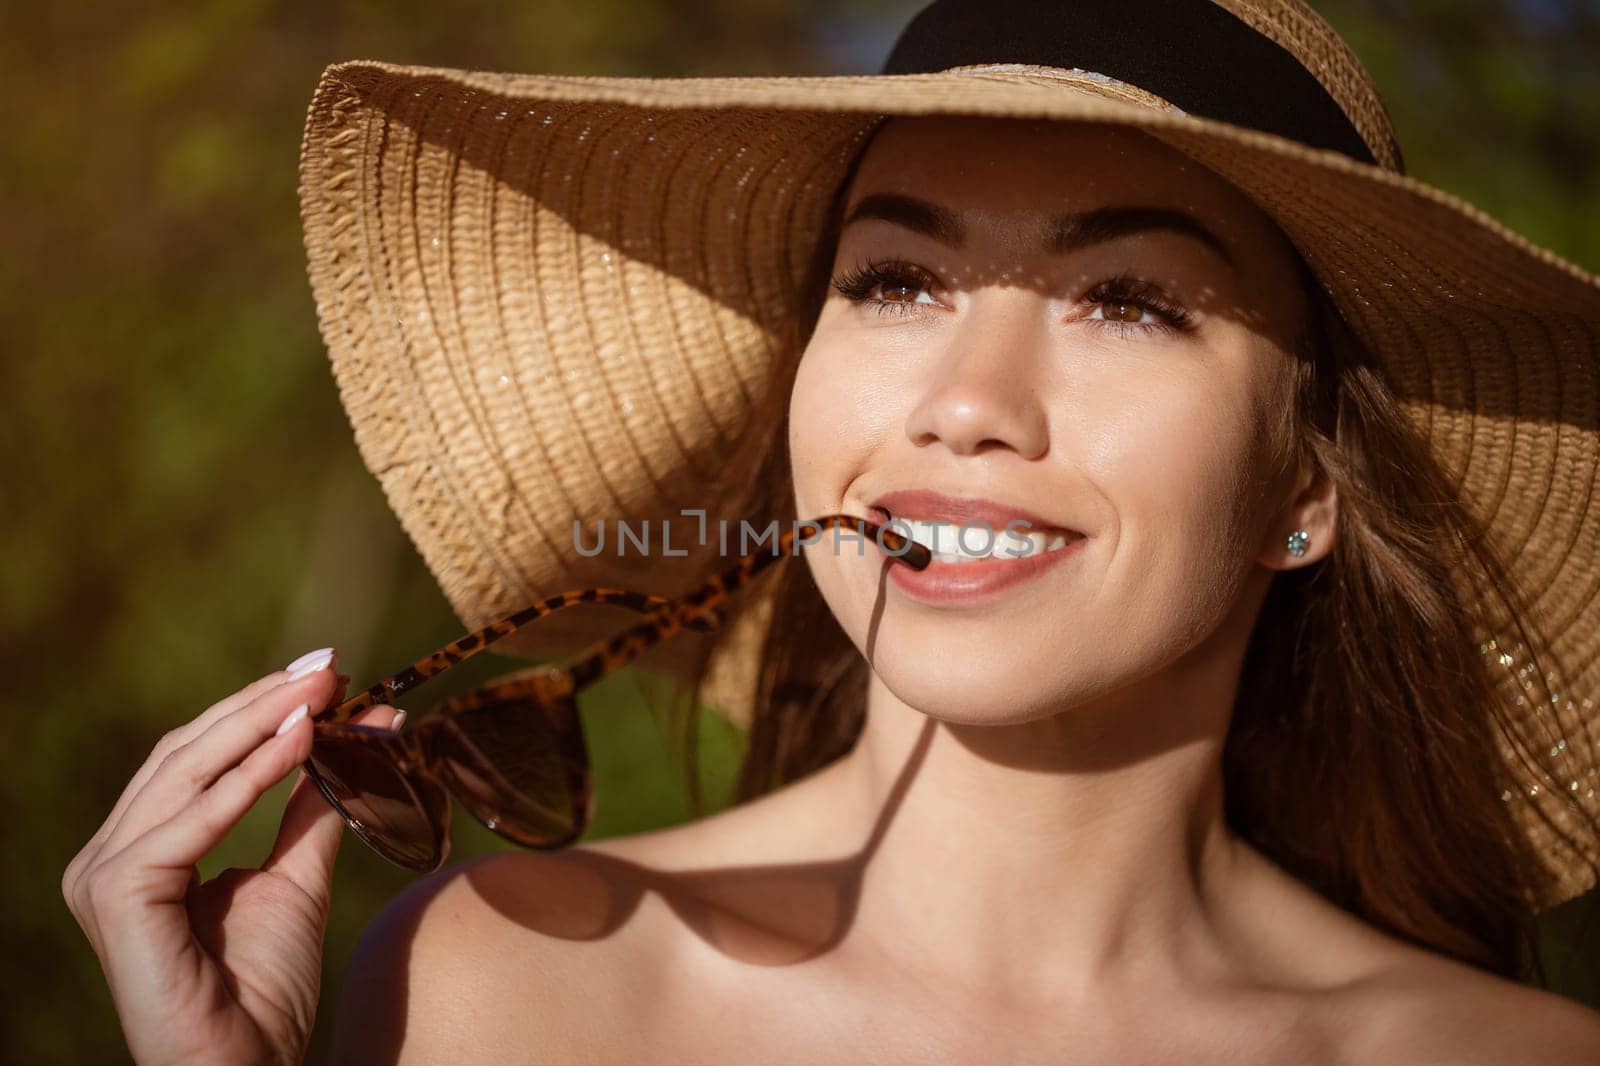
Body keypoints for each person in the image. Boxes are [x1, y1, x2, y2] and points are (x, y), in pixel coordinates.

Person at [64, 0, 1600, 1062]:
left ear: (1307, 488)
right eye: (897, 284)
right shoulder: (511, 981)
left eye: (1129, 301)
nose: (967, 402)